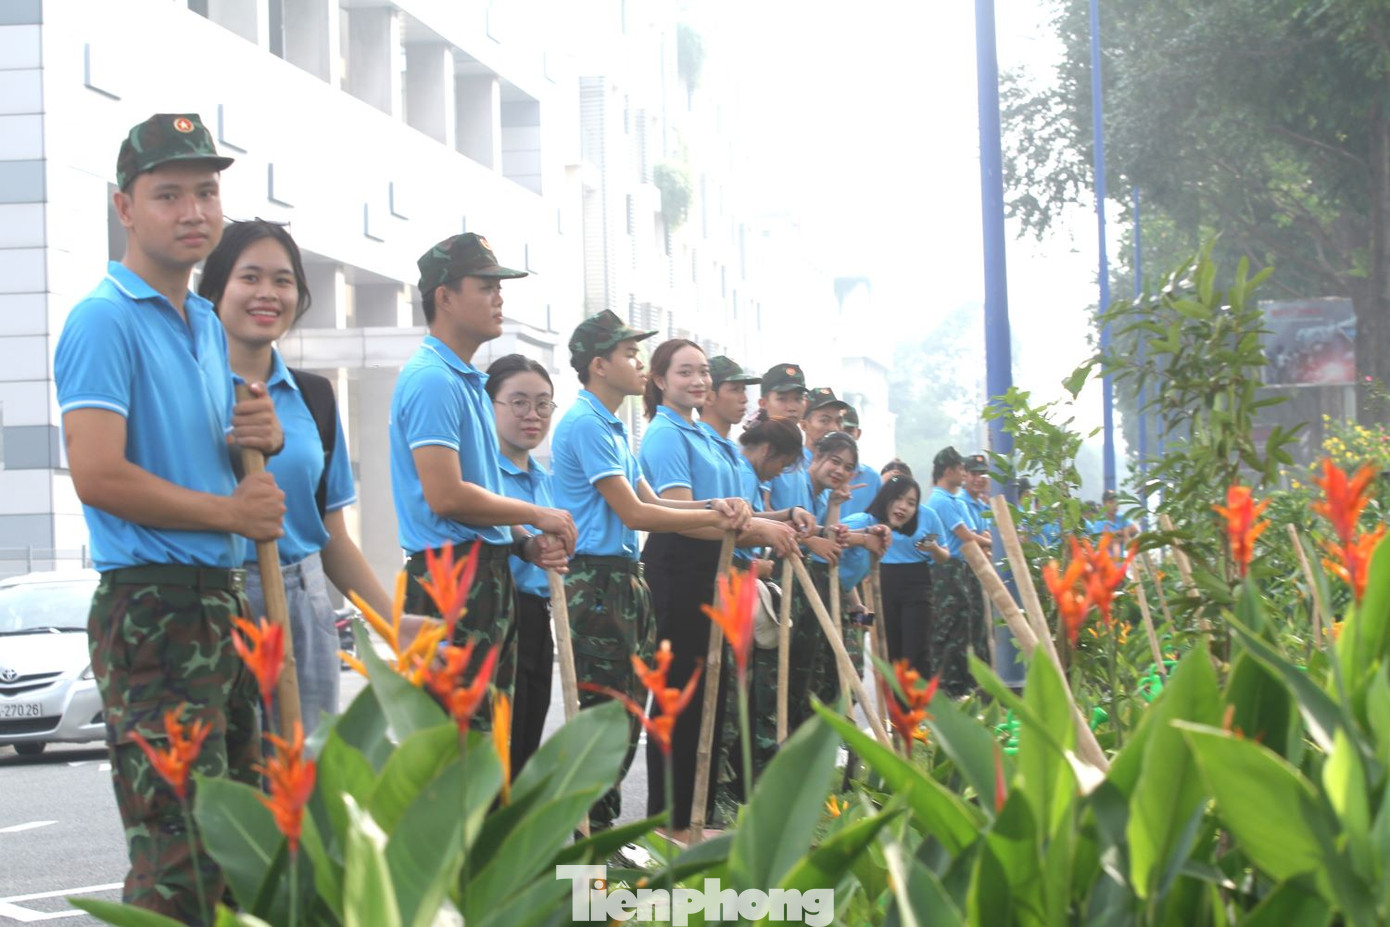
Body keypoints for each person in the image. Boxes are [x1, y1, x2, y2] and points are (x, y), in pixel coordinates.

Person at [54, 114, 286, 922]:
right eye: (168, 194)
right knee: (177, 851)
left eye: (207, 191)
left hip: (218, 599)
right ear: (125, 206)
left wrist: (259, 438)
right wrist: (230, 507)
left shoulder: (202, 326)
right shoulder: (104, 317)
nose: (194, 210)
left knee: (238, 842)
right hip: (151, 607)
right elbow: (97, 471)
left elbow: (217, 453)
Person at [550, 311, 746, 833]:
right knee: (602, 722)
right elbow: (637, 515)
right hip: (593, 580)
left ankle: (606, 843)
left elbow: (655, 500)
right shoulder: (587, 424)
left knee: (626, 719)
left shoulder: (613, 424)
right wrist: (720, 520)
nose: (639, 364)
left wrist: (720, 507)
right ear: (599, 365)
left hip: (621, 577)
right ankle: (588, 853)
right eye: (631, 355)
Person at [199, 220, 393, 735]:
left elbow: (332, 538)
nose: (268, 293)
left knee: (304, 776)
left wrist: (391, 622)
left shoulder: (315, 396)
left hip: (303, 602)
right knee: (235, 785)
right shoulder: (190, 387)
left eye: (283, 281)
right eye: (250, 277)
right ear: (215, 289)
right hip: (217, 599)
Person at [389, 233, 576, 730]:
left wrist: (524, 545)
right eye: (485, 285)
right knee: (453, 752)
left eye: (500, 287)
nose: (498, 297)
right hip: (449, 581)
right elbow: (446, 495)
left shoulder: (465, 379)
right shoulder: (432, 379)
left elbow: (482, 489)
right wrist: (534, 513)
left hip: (487, 575)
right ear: (444, 296)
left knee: (492, 743)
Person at [639, 339, 778, 832]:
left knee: (708, 696)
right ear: (659, 380)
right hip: (680, 567)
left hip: (712, 565)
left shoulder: (699, 433)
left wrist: (768, 519)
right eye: (684, 373)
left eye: (702, 372)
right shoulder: (664, 434)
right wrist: (755, 529)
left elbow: (726, 508)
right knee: (680, 695)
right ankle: (669, 818)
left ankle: (695, 812)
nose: (697, 381)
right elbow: (680, 514)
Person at [484, 353, 558, 776]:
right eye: (518, 402)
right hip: (496, 613)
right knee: (497, 750)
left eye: (543, 403)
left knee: (527, 744)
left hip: (537, 615)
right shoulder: (482, 477)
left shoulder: (546, 481)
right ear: (489, 405)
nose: (533, 415)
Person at [844, 476, 948, 676]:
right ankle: (891, 701)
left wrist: (932, 547)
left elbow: (943, 555)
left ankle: (918, 704)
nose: (903, 507)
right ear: (885, 496)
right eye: (898, 498)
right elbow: (834, 538)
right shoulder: (867, 521)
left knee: (915, 650)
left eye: (911, 502)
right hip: (876, 580)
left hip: (917, 582)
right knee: (882, 646)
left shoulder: (928, 517)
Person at [924, 447, 993, 697]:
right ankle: (947, 685)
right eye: (963, 469)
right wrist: (996, 543)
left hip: (961, 567)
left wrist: (987, 541)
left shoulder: (952, 500)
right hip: (947, 569)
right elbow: (966, 536)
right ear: (949, 470)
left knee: (965, 626)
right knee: (950, 627)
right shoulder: (941, 501)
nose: (966, 474)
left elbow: (978, 534)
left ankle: (964, 682)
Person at [840, 404, 881, 517]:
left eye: (849, 431)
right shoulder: (822, 474)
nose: (845, 437)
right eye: (840, 430)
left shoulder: (872, 478)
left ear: (858, 434)